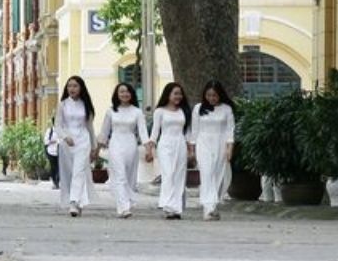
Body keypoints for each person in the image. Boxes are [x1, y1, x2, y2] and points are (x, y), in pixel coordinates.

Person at [98, 82, 149, 219]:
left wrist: (148, 147)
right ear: (117, 94)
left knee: (129, 175)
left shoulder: (137, 112)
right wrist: (97, 149)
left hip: (131, 144)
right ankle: (123, 207)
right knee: (119, 174)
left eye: (127, 92)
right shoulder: (111, 111)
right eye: (121, 91)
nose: (124, 94)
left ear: (131, 94)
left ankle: (126, 201)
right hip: (115, 143)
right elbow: (104, 131)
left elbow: (143, 132)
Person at [189, 80, 235, 222]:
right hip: (203, 144)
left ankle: (213, 205)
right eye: (209, 95)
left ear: (220, 95)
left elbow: (230, 131)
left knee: (218, 176)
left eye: (214, 95)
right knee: (207, 174)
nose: (211, 98)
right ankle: (208, 208)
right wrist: (192, 150)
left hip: (220, 144)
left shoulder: (227, 109)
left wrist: (229, 149)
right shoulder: (198, 108)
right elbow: (194, 131)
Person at [146, 82, 193, 220]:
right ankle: (168, 205)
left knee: (179, 175)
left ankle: (176, 208)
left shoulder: (183, 111)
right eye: (175, 93)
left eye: (180, 93)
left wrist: (191, 150)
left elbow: (188, 133)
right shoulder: (159, 111)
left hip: (180, 144)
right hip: (165, 144)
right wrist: (150, 149)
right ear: (168, 94)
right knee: (168, 173)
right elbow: (154, 133)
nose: (178, 96)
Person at [55, 75, 96, 217]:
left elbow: (90, 127)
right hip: (67, 142)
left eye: (75, 86)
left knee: (79, 171)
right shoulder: (63, 104)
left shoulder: (86, 105)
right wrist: (65, 137)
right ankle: (76, 201)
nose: (71, 89)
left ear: (81, 88)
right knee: (69, 173)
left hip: (83, 141)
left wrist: (94, 147)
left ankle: (73, 202)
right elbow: (58, 126)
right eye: (69, 86)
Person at [44, 117, 61, 189]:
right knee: (53, 168)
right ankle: (55, 182)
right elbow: (46, 141)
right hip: (51, 152)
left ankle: (57, 181)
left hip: (60, 152)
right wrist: (53, 141)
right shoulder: (49, 131)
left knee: (59, 167)